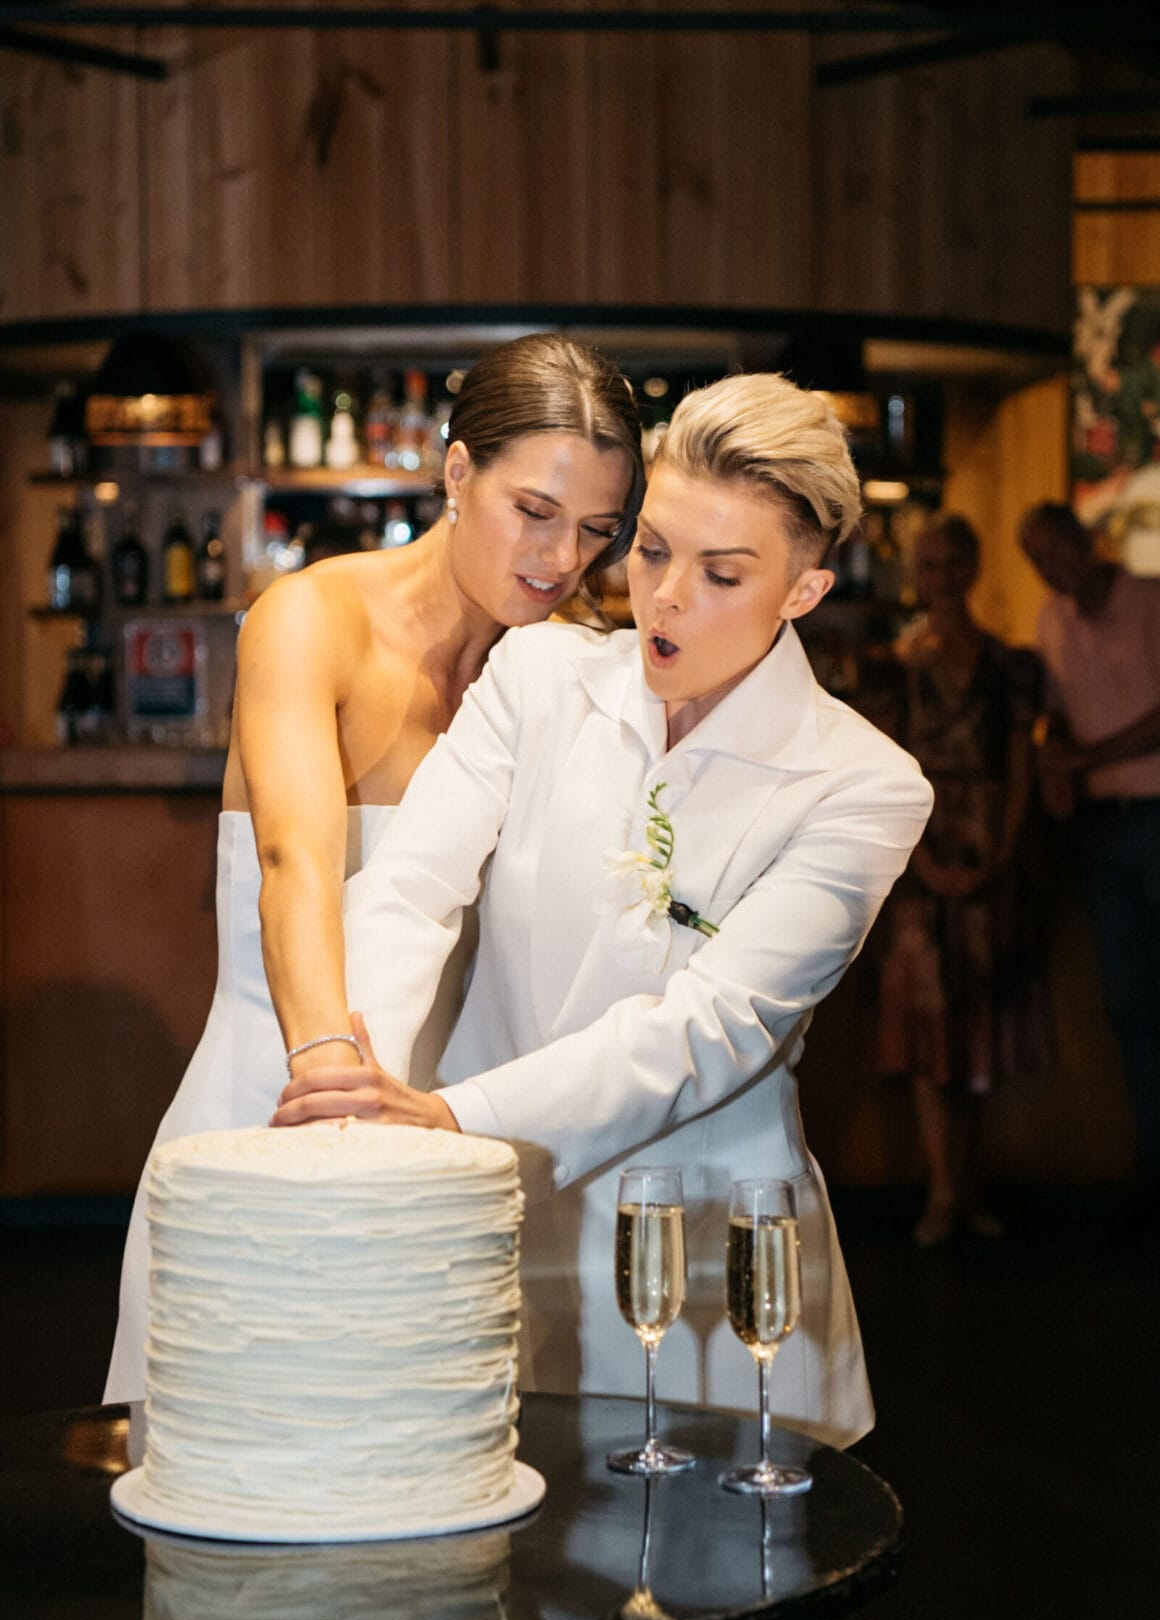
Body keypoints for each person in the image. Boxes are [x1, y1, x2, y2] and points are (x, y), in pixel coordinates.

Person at [275, 373, 934, 1450]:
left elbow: (710, 1028)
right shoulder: (538, 674)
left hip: (709, 1260)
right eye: (653, 549)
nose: (663, 597)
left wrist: (456, 1114)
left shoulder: (862, 785)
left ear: (803, 591)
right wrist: (363, 1095)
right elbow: (406, 890)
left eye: (721, 574)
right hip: (475, 1226)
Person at [103, 334, 645, 1404]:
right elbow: (293, 864)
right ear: (457, 471)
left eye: (595, 530)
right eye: (534, 511)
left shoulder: (565, 669)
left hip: (460, 1145)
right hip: (281, 1100)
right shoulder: (312, 619)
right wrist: (330, 1101)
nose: (560, 559)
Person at [875, 513, 1046, 1246]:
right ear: (918, 575)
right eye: (931, 565)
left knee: (980, 1021)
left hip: (987, 849)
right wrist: (922, 861)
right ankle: (942, 1191)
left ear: (973, 568)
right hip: (920, 847)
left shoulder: (1010, 665)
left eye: (953, 563)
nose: (942, 578)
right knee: (925, 1025)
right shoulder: (896, 668)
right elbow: (882, 772)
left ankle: (964, 1189)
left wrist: (1001, 851)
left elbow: (1020, 765)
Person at [1019, 502, 1160, 1227]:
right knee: (1131, 1008)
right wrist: (1054, 757)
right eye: (1038, 560)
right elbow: (1057, 718)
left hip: (1155, 813)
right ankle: (1152, 1175)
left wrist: (1083, 759)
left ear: (1086, 540)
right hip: (1103, 828)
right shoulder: (1052, 619)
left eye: (1058, 550)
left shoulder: (1149, 601)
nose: (1053, 568)